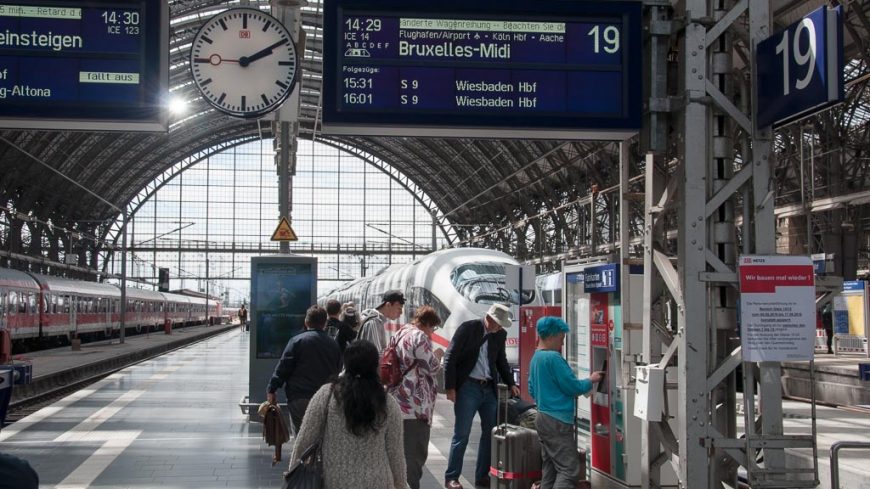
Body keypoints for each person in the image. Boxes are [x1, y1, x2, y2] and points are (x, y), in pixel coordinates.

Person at [289, 340, 408, 489]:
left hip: (334, 481)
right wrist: (401, 484)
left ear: (346, 364)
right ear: (375, 366)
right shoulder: (388, 403)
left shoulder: (327, 395)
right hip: (378, 482)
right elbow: (396, 454)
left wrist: (292, 473)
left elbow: (304, 439)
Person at [443, 303, 519, 489]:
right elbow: (450, 357)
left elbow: (501, 360)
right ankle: (452, 477)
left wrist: (511, 383)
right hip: (468, 386)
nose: (500, 327)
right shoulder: (469, 328)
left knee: (490, 433)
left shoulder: (499, 335)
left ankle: (482, 475)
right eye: (498, 323)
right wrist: (450, 387)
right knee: (462, 433)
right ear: (490, 318)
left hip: (488, 389)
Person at [528, 317, 604, 489]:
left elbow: (532, 389)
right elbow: (572, 386)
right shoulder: (554, 358)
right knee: (569, 469)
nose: (563, 342)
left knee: (550, 468)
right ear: (552, 335)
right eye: (561, 337)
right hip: (558, 420)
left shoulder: (536, 358)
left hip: (542, 417)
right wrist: (591, 380)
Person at [387, 305, 444, 489]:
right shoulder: (418, 336)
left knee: (400, 452)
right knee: (414, 455)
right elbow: (432, 366)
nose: (432, 332)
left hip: (398, 401)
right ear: (427, 323)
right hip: (415, 405)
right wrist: (437, 355)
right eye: (433, 328)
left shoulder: (401, 332)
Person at [266, 305, 342, 433]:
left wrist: (272, 389)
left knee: (301, 436)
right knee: (322, 436)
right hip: (325, 398)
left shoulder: (296, 341)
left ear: (306, 322)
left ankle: (303, 453)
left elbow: (283, 367)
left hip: (299, 397)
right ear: (324, 323)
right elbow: (338, 369)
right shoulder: (333, 344)